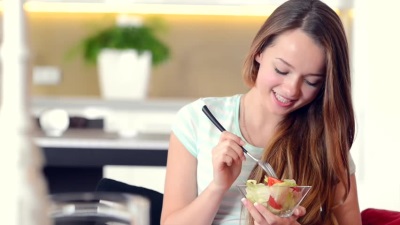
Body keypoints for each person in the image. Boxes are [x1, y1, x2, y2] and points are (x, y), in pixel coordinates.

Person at [160, 0, 362, 224]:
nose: (291, 90)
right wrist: (218, 187)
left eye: (312, 82)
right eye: (281, 70)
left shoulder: (325, 138)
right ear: (259, 52)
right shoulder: (198, 118)